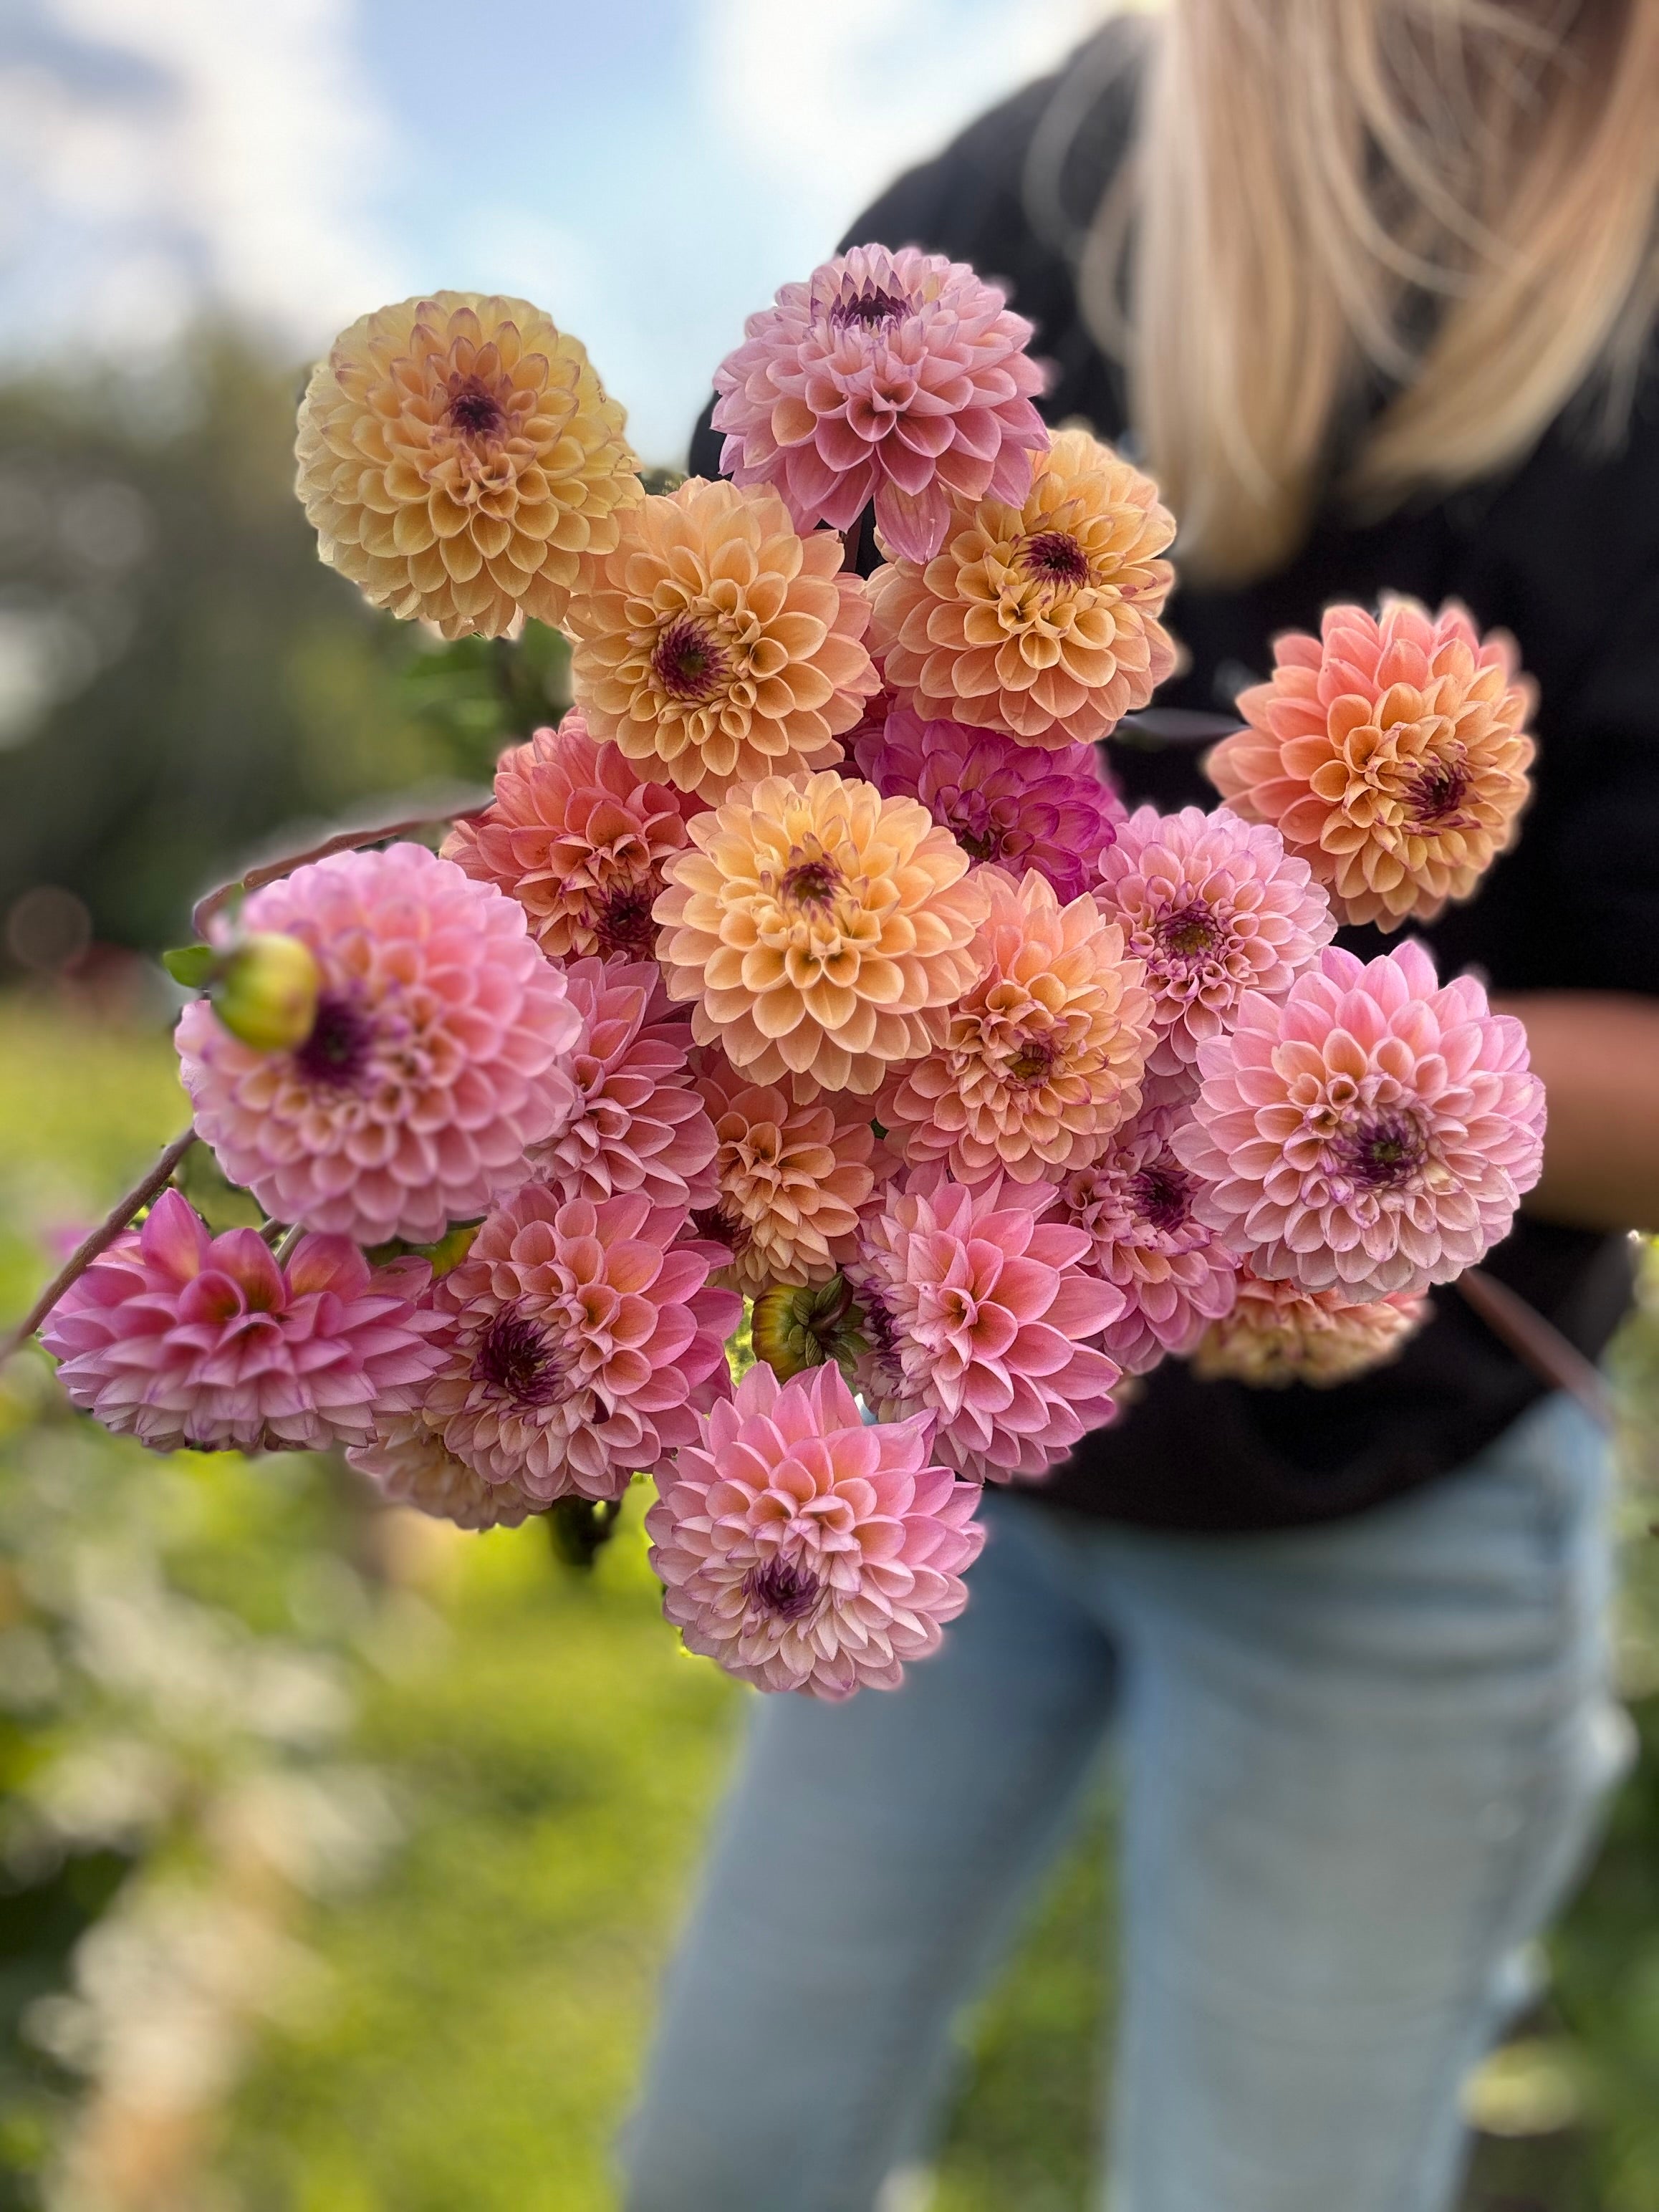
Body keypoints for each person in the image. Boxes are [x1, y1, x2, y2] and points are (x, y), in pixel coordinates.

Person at [624, 5, 1659, 2206]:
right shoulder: (1032, 192)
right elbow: (688, 680)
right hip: (944, 1446)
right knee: (725, 2148)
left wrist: (1219, 1051)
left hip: (1386, 1499)